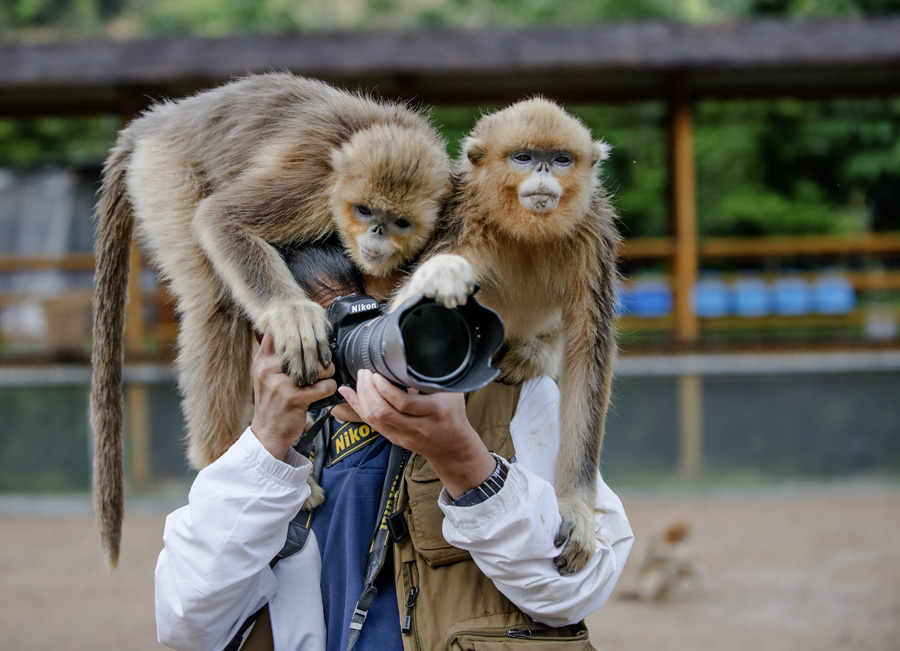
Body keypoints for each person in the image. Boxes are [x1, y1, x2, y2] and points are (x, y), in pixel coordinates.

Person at [154, 238, 634, 651]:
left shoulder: (505, 396)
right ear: (271, 336)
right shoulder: (269, 428)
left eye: (390, 320)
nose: (370, 346)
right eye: (333, 328)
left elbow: (579, 589)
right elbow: (186, 620)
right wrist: (265, 446)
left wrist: (466, 463)